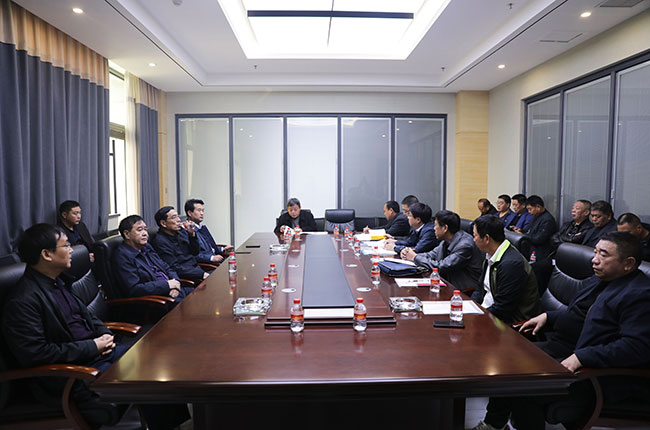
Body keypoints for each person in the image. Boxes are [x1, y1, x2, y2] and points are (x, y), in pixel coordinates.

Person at [2, 224, 191, 429]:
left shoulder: (58, 282)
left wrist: (105, 335)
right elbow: (36, 353)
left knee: (156, 357)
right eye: (66, 245)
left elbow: (88, 317)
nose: (72, 250)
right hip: (71, 375)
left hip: (95, 355)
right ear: (46, 254)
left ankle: (171, 424)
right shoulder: (23, 301)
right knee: (147, 372)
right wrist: (93, 346)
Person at [471, 232, 650, 430]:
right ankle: (494, 424)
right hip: (565, 347)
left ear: (628, 263)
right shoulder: (601, 279)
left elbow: (636, 347)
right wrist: (549, 316)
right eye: (595, 252)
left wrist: (581, 358)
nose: (594, 259)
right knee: (506, 361)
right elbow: (582, 314)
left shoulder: (639, 294)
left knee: (523, 386)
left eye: (604, 255)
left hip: (595, 374)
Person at [470, 215, 541, 324]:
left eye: (475, 235)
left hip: (507, 323)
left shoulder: (511, 264)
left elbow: (503, 308)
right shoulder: (491, 254)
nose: (473, 239)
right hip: (487, 312)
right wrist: (471, 308)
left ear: (487, 238)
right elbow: (480, 288)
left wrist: (476, 317)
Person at [112, 215, 193, 300]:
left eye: (145, 229)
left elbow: (166, 267)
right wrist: (167, 285)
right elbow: (135, 289)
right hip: (156, 299)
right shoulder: (122, 257)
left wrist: (176, 284)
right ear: (127, 234)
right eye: (139, 230)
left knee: (199, 294)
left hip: (173, 290)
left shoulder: (146, 247)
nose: (145, 233)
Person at [400, 210, 483, 291]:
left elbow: (442, 266)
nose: (434, 228)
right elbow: (431, 254)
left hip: (464, 290)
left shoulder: (465, 245)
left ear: (445, 228)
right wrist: (409, 254)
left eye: (435, 225)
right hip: (447, 282)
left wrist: (415, 257)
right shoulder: (446, 240)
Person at [151, 206, 209, 281]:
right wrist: (201, 274)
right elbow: (174, 268)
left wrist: (192, 235)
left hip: (197, 268)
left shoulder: (181, 232)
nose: (179, 220)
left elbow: (195, 252)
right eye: (174, 217)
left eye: (178, 216)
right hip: (187, 277)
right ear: (163, 223)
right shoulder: (160, 242)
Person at [184, 198, 233, 264]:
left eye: (203, 210)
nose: (202, 213)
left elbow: (210, 247)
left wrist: (223, 249)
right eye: (199, 210)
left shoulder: (202, 228)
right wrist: (211, 258)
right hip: (207, 265)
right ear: (190, 213)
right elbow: (192, 255)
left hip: (216, 261)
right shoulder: (187, 231)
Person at [518, 195, 557, 261]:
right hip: (531, 247)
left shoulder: (547, 220)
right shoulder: (536, 216)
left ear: (538, 207)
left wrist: (523, 235)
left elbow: (539, 239)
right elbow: (528, 230)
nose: (529, 212)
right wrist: (520, 231)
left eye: (530, 209)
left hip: (540, 252)